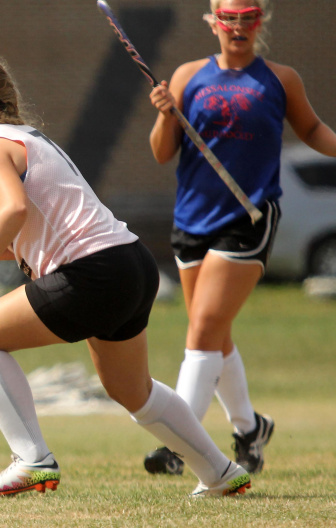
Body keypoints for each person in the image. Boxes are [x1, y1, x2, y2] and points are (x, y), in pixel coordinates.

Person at [0, 50, 250, 497]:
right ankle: (220, 472)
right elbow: (42, 223)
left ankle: (33, 460)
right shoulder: (26, 137)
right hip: (132, 265)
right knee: (131, 389)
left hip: (95, 273)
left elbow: (14, 208)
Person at [142, 0, 336, 476]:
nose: (238, 27)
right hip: (192, 219)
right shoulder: (189, 76)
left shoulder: (280, 79)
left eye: (248, 17)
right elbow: (162, 153)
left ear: (260, 22)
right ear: (213, 23)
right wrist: (167, 114)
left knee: (204, 329)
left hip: (247, 218)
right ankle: (250, 429)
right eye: (228, 18)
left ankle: (178, 443)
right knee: (215, 335)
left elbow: (310, 128)